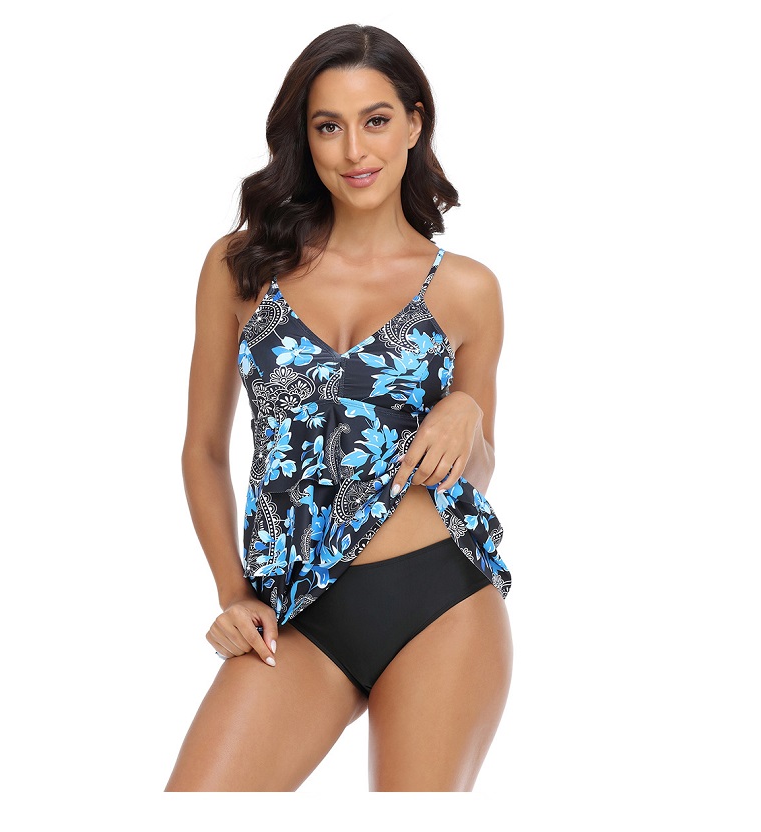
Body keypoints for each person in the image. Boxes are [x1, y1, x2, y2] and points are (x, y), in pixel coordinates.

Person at [165, 23, 513, 792]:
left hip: (440, 600)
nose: (355, 150)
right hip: (295, 610)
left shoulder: (468, 289)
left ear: (414, 123)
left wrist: (466, 410)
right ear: (306, 136)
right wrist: (232, 592)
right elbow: (203, 451)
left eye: (376, 120)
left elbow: (475, 474)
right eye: (329, 126)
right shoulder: (241, 267)